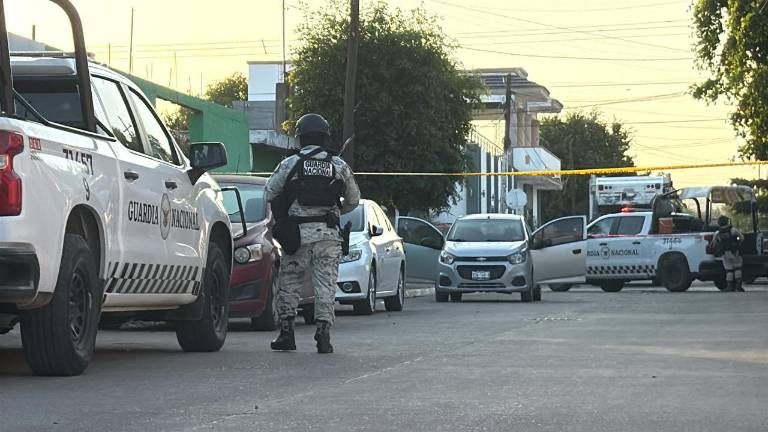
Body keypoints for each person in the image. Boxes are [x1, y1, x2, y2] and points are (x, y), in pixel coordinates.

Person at [265, 113, 360, 353]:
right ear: (325, 137)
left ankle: (287, 334)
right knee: (325, 285)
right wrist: (337, 209)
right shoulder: (338, 165)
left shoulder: (290, 163)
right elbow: (353, 200)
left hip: (297, 234)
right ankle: (323, 335)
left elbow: (269, 192)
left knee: (289, 283)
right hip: (328, 235)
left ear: (301, 137)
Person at [712, 215, 745, 292]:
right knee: (737, 268)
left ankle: (729, 286)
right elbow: (741, 238)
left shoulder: (718, 233)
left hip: (725, 253)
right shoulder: (733, 230)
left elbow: (714, 243)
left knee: (729, 270)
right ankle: (738, 286)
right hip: (735, 252)